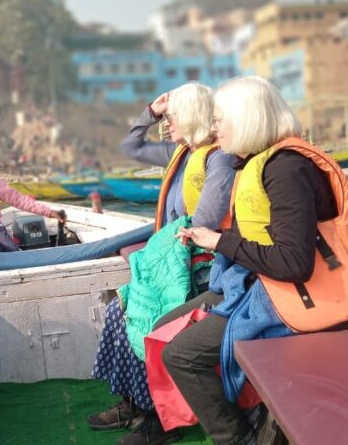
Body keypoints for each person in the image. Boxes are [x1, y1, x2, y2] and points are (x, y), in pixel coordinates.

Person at [158, 76, 348, 445]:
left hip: (295, 297)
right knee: (168, 330)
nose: (214, 129)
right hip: (261, 283)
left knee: (182, 354)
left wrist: (221, 242)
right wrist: (217, 242)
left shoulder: (285, 170)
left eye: (219, 119)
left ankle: (237, 437)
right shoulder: (259, 165)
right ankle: (244, 421)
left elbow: (294, 265)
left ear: (246, 119)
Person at [89, 83, 235, 445]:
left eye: (170, 118)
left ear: (191, 117)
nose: (165, 125)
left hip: (199, 270)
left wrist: (164, 252)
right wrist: (150, 112)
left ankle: (160, 419)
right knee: (118, 313)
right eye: (164, 119)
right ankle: (136, 403)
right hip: (170, 264)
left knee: (148, 321)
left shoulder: (219, 158)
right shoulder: (180, 152)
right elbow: (130, 146)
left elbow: (205, 219)